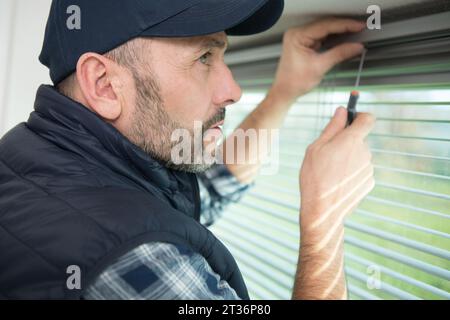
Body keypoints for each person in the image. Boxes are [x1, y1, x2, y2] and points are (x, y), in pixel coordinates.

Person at [0, 0, 374, 300]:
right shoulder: (134, 259)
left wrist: (283, 93)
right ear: (104, 84)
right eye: (204, 58)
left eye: (222, 55)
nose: (234, 89)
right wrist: (324, 221)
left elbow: (196, 198)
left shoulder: (35, 157)